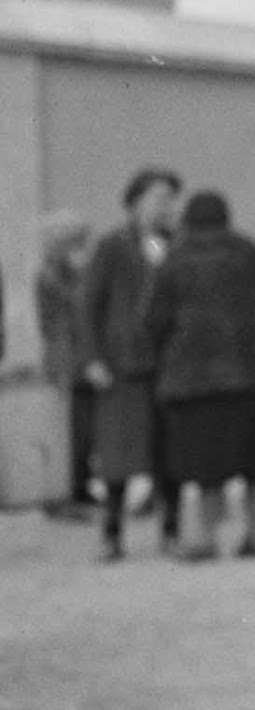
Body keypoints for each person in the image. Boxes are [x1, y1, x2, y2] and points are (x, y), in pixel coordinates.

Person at [144, 190, 255, 560]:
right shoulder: (251, 254)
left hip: (196, 382)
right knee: (254, 463)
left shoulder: (176, 260)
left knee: (206, 465)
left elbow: (154, 321)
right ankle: (253, 531)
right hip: (254, 377)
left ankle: (206, 537)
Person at [79, 165, 183, 560]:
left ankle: (171, 532)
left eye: (170, 200)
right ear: (136, 202)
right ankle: (111, 535)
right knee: (118, 456)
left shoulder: (176, 245)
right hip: (120, 368)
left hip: (167, 368)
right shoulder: (111, 246)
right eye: (158, 199)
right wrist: (92, 358)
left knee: (168, 452)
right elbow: (88, 306)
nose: (166, 207)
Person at [33, 210, 97, 519]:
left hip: (78, 356)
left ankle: (81, 485)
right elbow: (70, 311)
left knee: (84, 429)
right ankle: (66, 492)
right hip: (66, 359)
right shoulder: (53, 274)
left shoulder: (69, 272)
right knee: (69, 431)